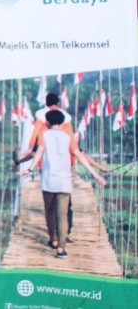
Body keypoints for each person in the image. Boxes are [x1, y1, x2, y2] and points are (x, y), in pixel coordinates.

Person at [20, 110, 106, 259]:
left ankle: (53, 238)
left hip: (48, 181)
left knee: (49, 211)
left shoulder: (44, 134)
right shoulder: (68, 136)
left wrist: (29, 168)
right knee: (62, 215)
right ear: (63, 122)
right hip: (64, 182)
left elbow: (39, 151)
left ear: (47, 122)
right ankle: (61, 247)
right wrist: (96, 174)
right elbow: (79, 155)